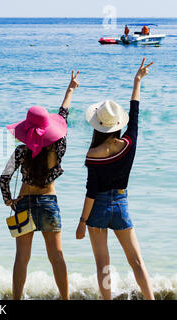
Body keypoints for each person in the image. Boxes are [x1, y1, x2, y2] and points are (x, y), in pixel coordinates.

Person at [76, 58, 155, 300]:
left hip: (97, 210)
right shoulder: (128, 144)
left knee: (103, 264)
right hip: (121, 206)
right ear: (117, 125)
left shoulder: (92, 155)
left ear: (97, 127)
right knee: (137, 261)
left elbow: (91, 191)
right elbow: (135, 113)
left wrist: (82, 221)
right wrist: (137, 81)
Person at [0, 70, 80, 300]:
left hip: (24, 203)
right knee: (56, 256)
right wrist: (70, 89)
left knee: (21, 259)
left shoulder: (21, 150)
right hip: (48, 202)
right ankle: (65, 298)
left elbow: (4, 178)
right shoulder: (58, 147)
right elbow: (63, 116)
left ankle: (16, 299)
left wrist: (8, 199)